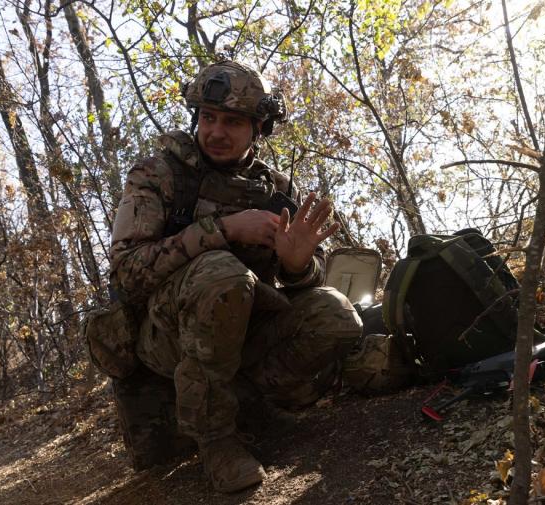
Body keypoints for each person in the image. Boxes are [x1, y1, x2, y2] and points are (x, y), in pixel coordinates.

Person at [108, 60, 363, 493]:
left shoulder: (276, 190)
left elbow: (301, 285)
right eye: (208, 118)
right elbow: (127, 274)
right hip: (166, 336)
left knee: (336, 314)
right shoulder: (160, 175)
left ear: (258, 128)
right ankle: (216, 442)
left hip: (245, 331)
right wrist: (222, 230)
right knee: (223, 274)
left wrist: (300, 265)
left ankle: (252, 407)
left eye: (233, 121)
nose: (216, 132)